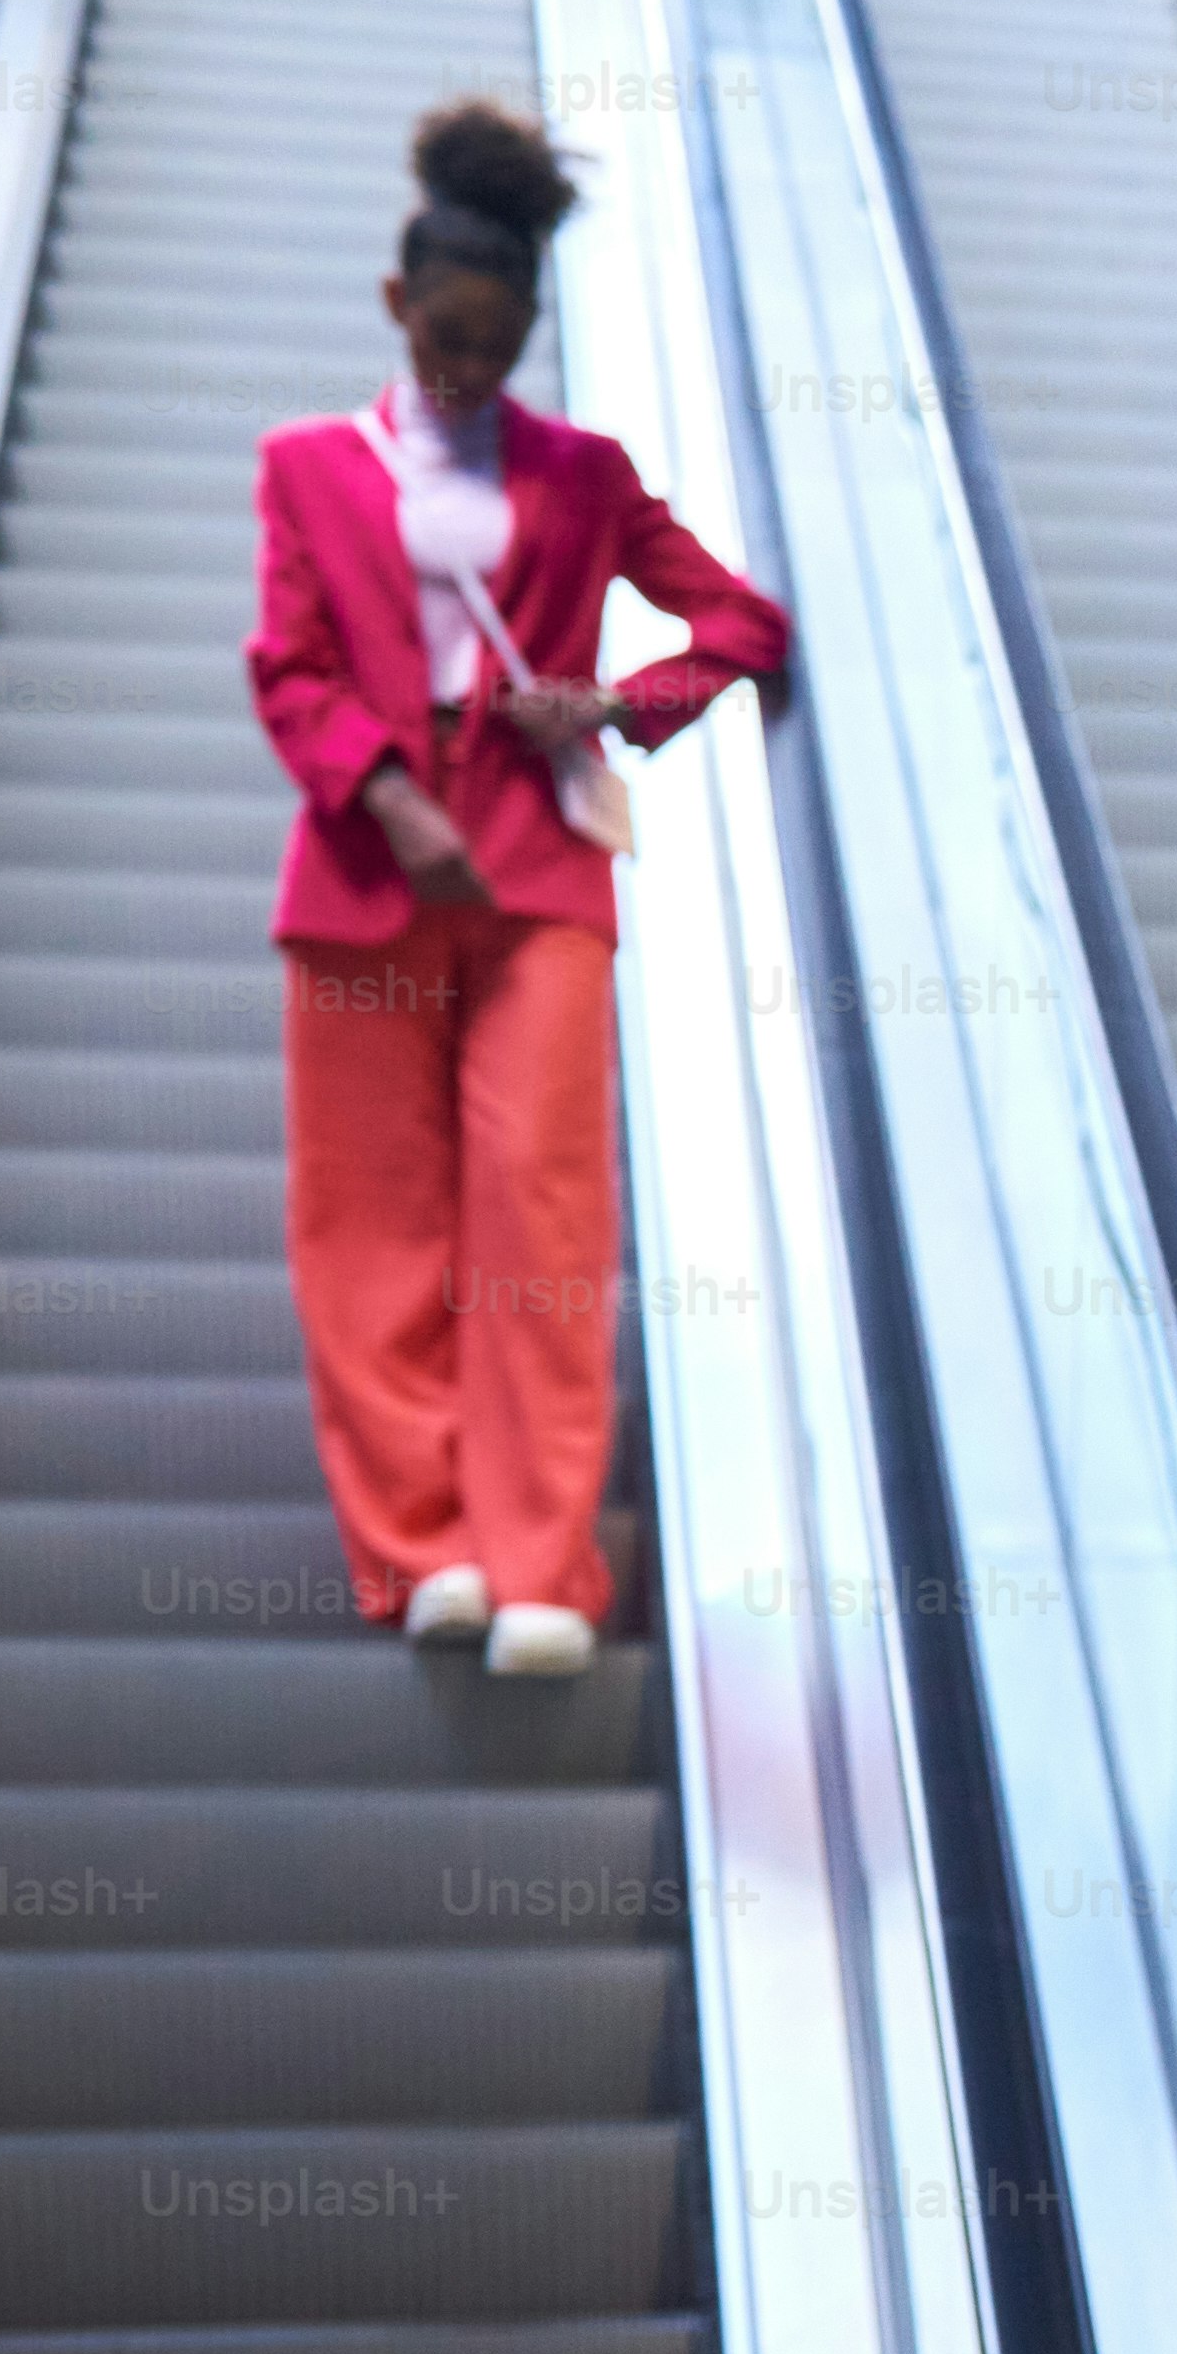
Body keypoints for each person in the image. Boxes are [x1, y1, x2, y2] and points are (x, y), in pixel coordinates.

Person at [246, 100, 789, 1678]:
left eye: (494, 345)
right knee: (369, 1222)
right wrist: (386, 791)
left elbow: (743, 623)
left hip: (538, 870)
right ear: (396, 306)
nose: (463, 370)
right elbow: (288, 667)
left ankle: (542, 1558)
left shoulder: (584, 476)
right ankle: (425, 1553)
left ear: (529, 331)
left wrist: (620, 702)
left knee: (542, 1212)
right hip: (369, 862)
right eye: (442, 338)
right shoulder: (305, 468)